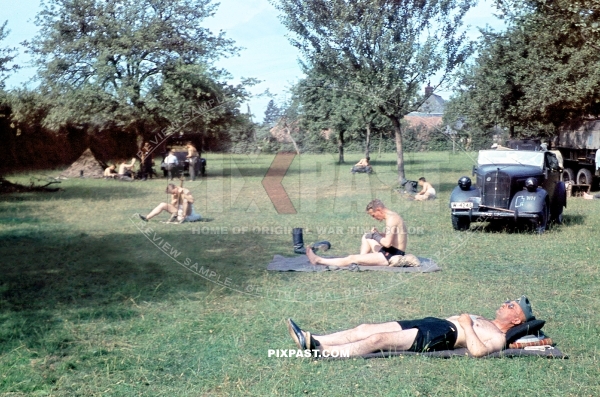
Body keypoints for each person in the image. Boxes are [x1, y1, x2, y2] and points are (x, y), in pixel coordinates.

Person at [287, 296, 535, 358]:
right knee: (366, 328)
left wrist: (467, 325)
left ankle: (321, 350)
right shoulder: (486, 319)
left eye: (511, 305)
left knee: (379, 340)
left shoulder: (498, 337)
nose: (505, 304)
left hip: (442, 335)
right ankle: (315, 337)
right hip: (433, 322)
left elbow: (478, 351)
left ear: (516, 320)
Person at [306, 199, 408, 267]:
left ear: (378, 210)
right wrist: (377, 234)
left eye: (373, 215)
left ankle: (318, 260)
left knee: (351, 258)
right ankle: (361, 259)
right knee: (366, 236)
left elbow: (387, 243)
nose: (375, 218)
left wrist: (375, 235)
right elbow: (391, 237)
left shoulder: (392, 219)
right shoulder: (391, 216)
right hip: (390, 250)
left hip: (392, 255)